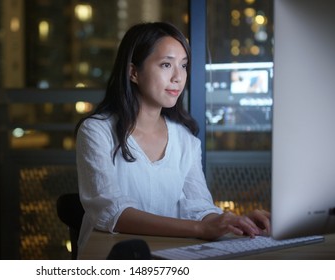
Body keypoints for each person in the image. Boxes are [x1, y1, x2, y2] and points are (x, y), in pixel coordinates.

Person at [74, 22, 270, 258]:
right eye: (166, 65)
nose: (178, 77)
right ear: (133, 72)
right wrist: (199, 228)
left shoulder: (185, 139)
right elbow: (113, 212)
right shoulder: (96, 132)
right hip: (111, 259)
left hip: (168, 256)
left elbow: (199, 207)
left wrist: (236, 222)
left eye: (184, 66)